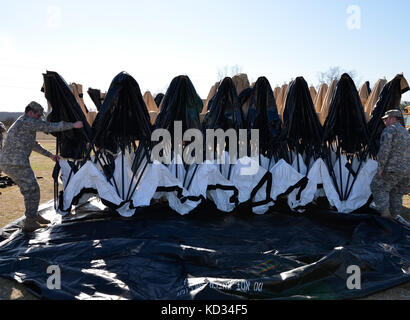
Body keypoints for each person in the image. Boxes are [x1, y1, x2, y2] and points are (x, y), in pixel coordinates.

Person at [0, 101, 84, 232]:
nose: (39, 118)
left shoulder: (24, 123)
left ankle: (32, 215)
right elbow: (49, 126)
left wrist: (50, 155)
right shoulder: (27, 121)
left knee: (30, 189)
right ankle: (30, 222)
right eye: (38, 115)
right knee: (32, 190)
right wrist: (73, 125)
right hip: (15, 163)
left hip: (12, 162)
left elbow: (33, 144)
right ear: (31, 112)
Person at [370, 109, 410, 222]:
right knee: (396, 192)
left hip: (392, 169)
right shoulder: (405, 132)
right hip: (406, 171)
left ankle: (386, 218)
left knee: (377, 186)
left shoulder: (390, 130)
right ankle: (394, 217)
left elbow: (384, 151)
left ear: (393, 119)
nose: (384, 121)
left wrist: (380, 169)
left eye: (386, 119)